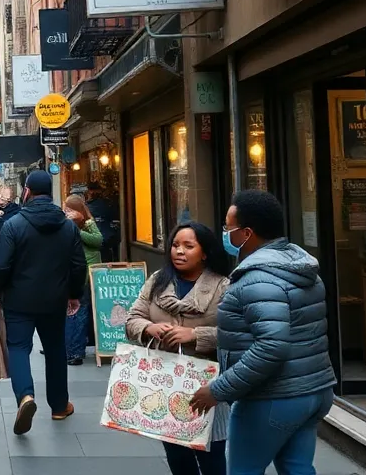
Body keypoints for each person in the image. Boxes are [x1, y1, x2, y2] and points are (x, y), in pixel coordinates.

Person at [189, 190, 337, 475]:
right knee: (297, 468)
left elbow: (271, 347)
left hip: (271, 397)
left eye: (228, 228)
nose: (224, 233)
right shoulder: (299, 268)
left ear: (247, 233)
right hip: (313, 390)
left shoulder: (257, 280)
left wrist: (217, 390)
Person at [125, 222, 232, 475]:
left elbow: (236, 334)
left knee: (211, 456)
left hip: (206, 386)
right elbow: (132, 319)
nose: (179, 252)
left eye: (188, 246)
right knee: (177, 457)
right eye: (175, 245)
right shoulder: (157, 281)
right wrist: (149, 328)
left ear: (204, 252)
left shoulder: (223, 287)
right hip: (165, 381)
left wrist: (195, 335)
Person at [0, 170, 87, 435]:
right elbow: (78, 266)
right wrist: (75, 294)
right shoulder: (68, 226)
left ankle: (25, 397)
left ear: (27, 191)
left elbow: (1, 264)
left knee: (18, 347)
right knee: (55, 350)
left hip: (18, 300)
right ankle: (58, 406)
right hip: (54, 301)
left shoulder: (14, 224)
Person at [62, 195, 102, 365]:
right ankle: (69, 347)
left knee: (79, 311)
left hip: (86, 272)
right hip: (72, 271)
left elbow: (98, 240)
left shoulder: (88, 223)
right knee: (72, 312)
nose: (66, 212)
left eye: (69, 209)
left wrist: (76, 229)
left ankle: (75, 351)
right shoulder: (65, 222)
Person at [85, 185, 121, 263]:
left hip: (96, 237)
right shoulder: (105, 204)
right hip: (106, 236)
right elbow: (113, 215)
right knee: (106, 256)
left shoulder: (88, 206)